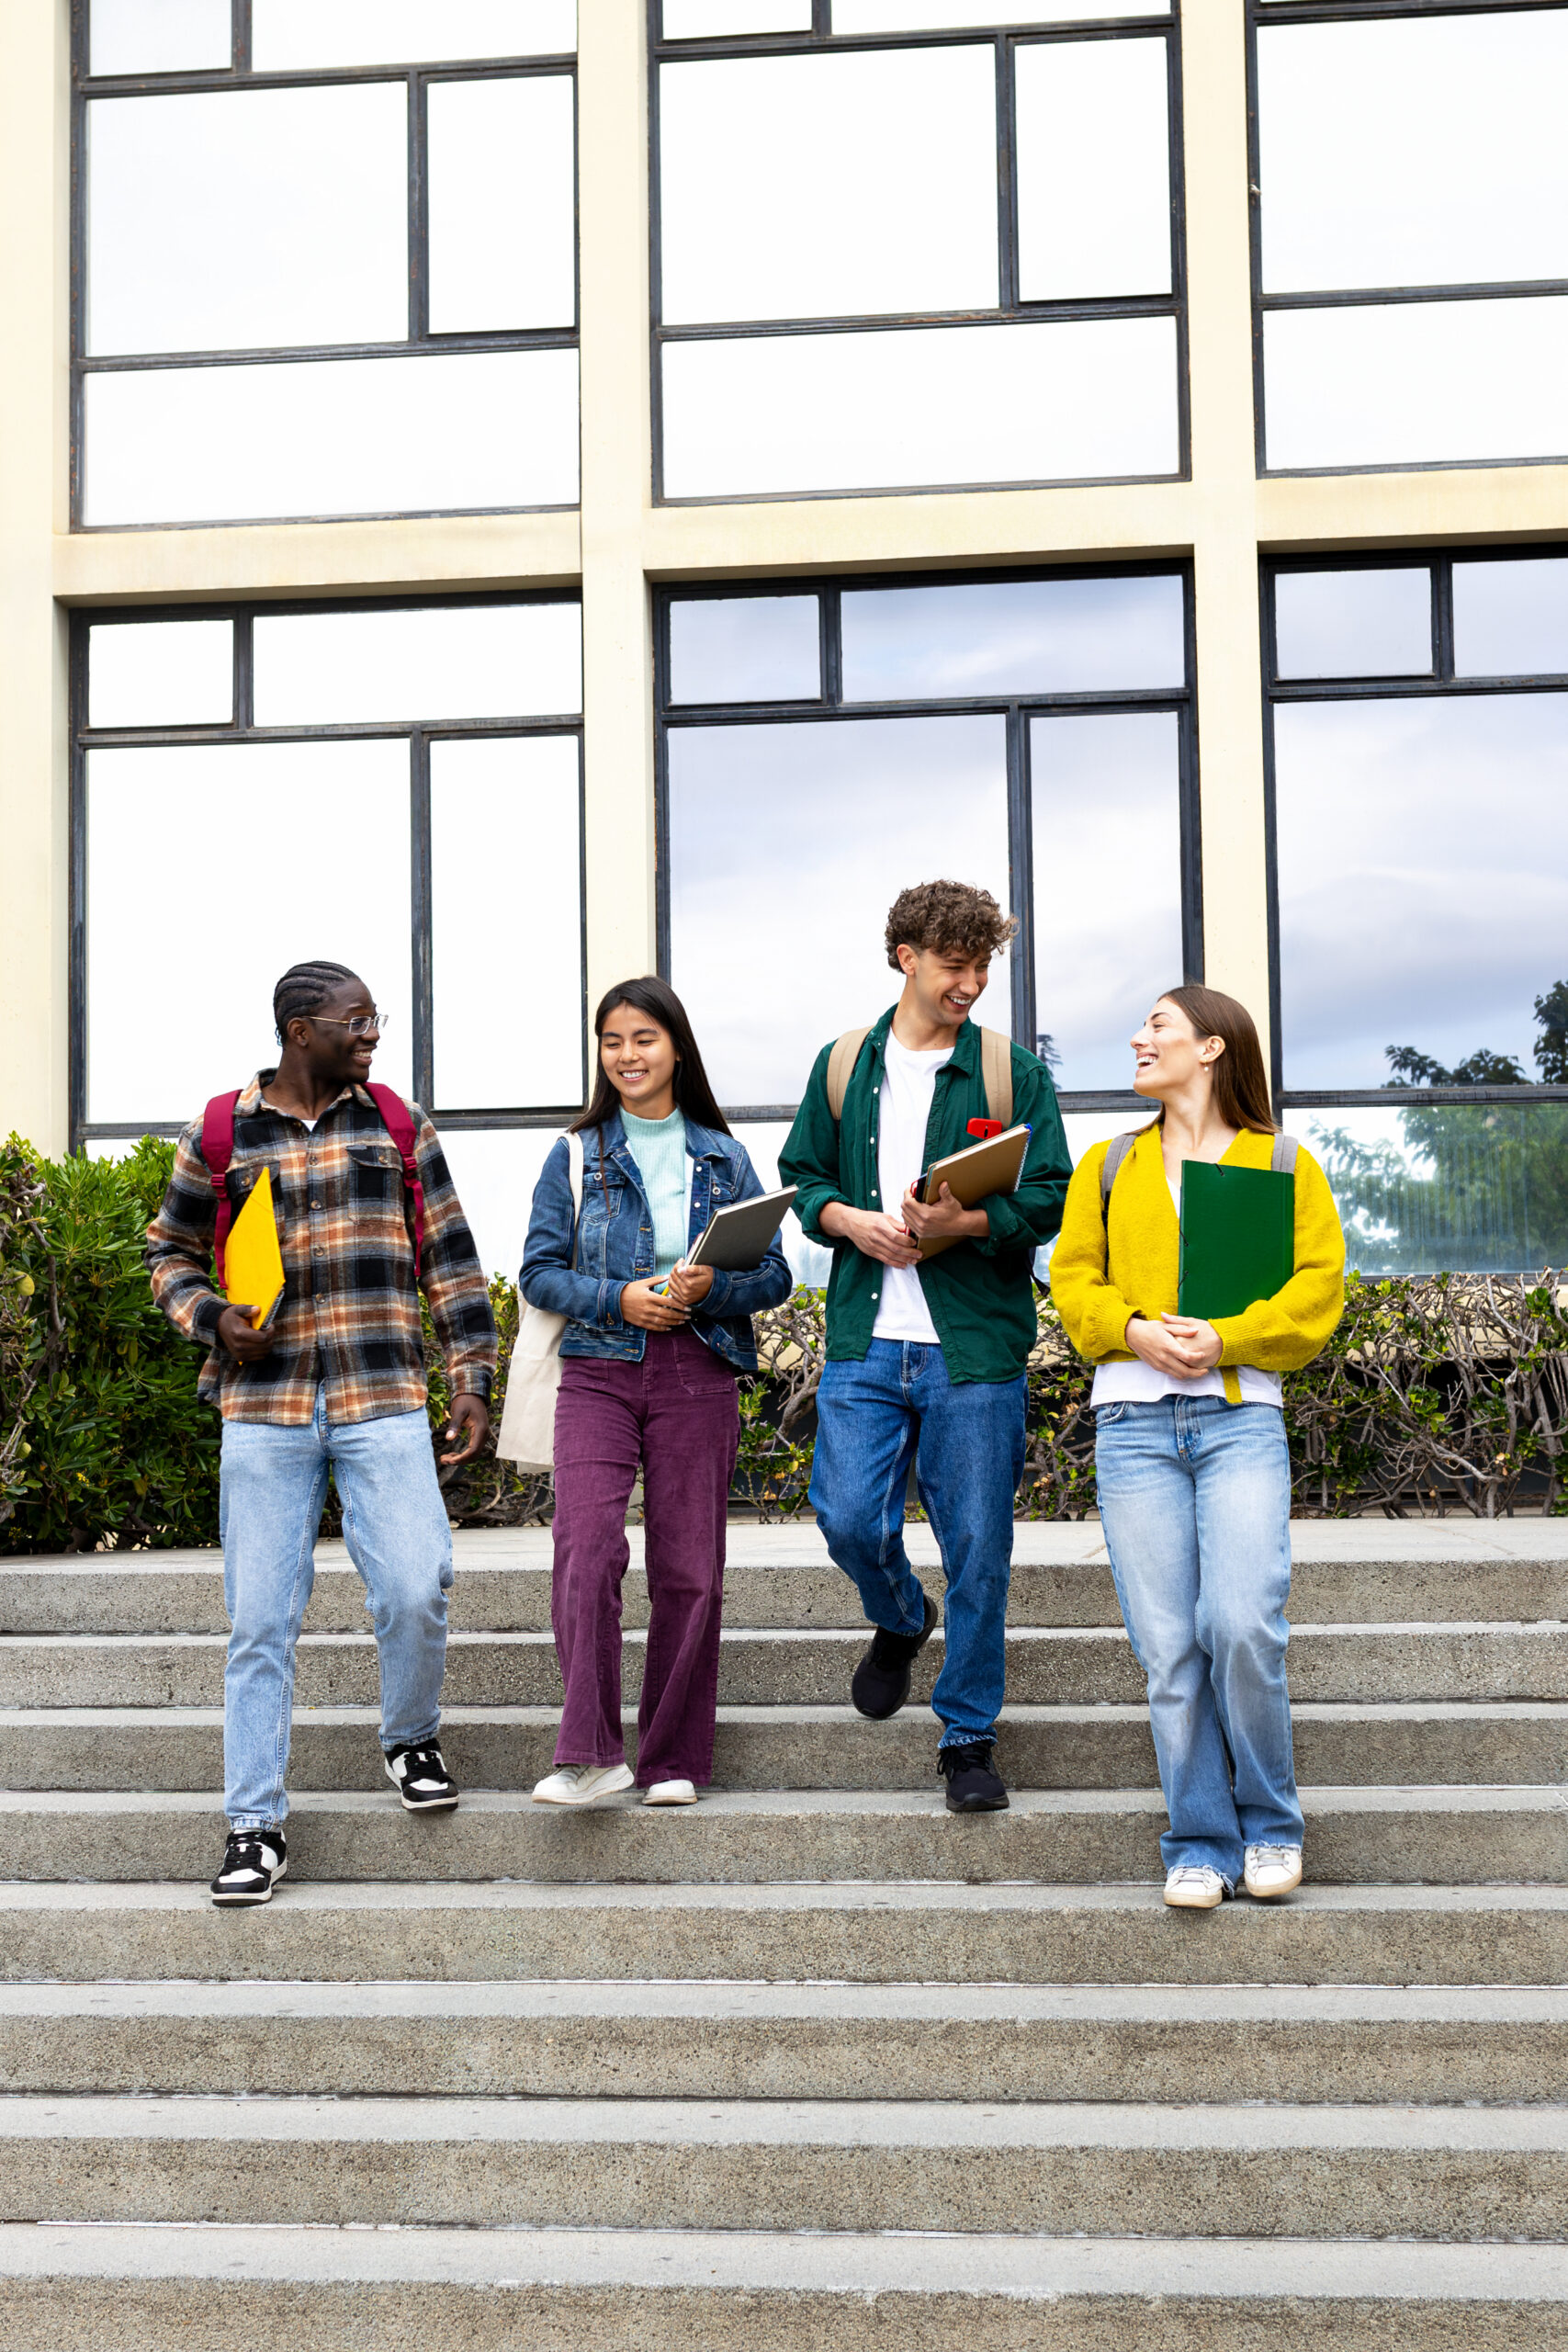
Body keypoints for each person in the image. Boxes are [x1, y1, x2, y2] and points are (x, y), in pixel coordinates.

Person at [147, 960, 497, 1906]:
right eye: (358, 1020)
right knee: (260, 1620)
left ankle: (410, 1733)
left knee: (419, 1584)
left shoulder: (396, 1123)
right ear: (302, 1032)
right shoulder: (220, 1131)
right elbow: (168, 1254)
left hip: (382, 1393)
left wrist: (472, 1381)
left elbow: (453, 1261)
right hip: (264, 1412)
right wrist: (212, 1316)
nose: (373, 1032)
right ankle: (253, 1825)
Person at [778, 880, 1071, 1812]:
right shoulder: (840, 1065)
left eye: (985, 965)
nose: (972, 983)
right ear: (906, 956)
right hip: (868, 1336)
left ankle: (968, 1734)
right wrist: (852, 1224)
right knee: (849, 1519)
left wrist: (967, 1221)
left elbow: (1050, 1198)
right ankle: (903, 1615)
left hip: (972, 1349)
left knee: (978, 1546)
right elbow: (802, 1180)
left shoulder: (1009, 1072)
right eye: (956, 964)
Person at [1050, 985, 1345, 1909]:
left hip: (1237, 1419)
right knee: (1169, 1646)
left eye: (1160, 1026)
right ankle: (1200, 1841)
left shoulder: (1284, 1162)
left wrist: (1230, 1337)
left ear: (1212, 1047)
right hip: (1135, 1427)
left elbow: (1317, 1292)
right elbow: (1072, 1284)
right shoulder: (1106, 1163)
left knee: (1242, 1624)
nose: (1140, 1039)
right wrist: (1132, 1328)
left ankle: (1271, 1826)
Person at [521, 976, 792, 1808]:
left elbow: (773, 1273)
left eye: (643, 1038)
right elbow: (537, 1272)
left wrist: (710, 1288)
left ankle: (672, 1758)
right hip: (599, 1371)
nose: (627, 1055)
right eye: (612, 1041)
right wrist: (619, 1297)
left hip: (697, 1369)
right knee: (587, 1550)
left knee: (690, 1571)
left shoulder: (723, 1152)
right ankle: (590, 1753)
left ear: (675, 1046)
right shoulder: (574, 1152)